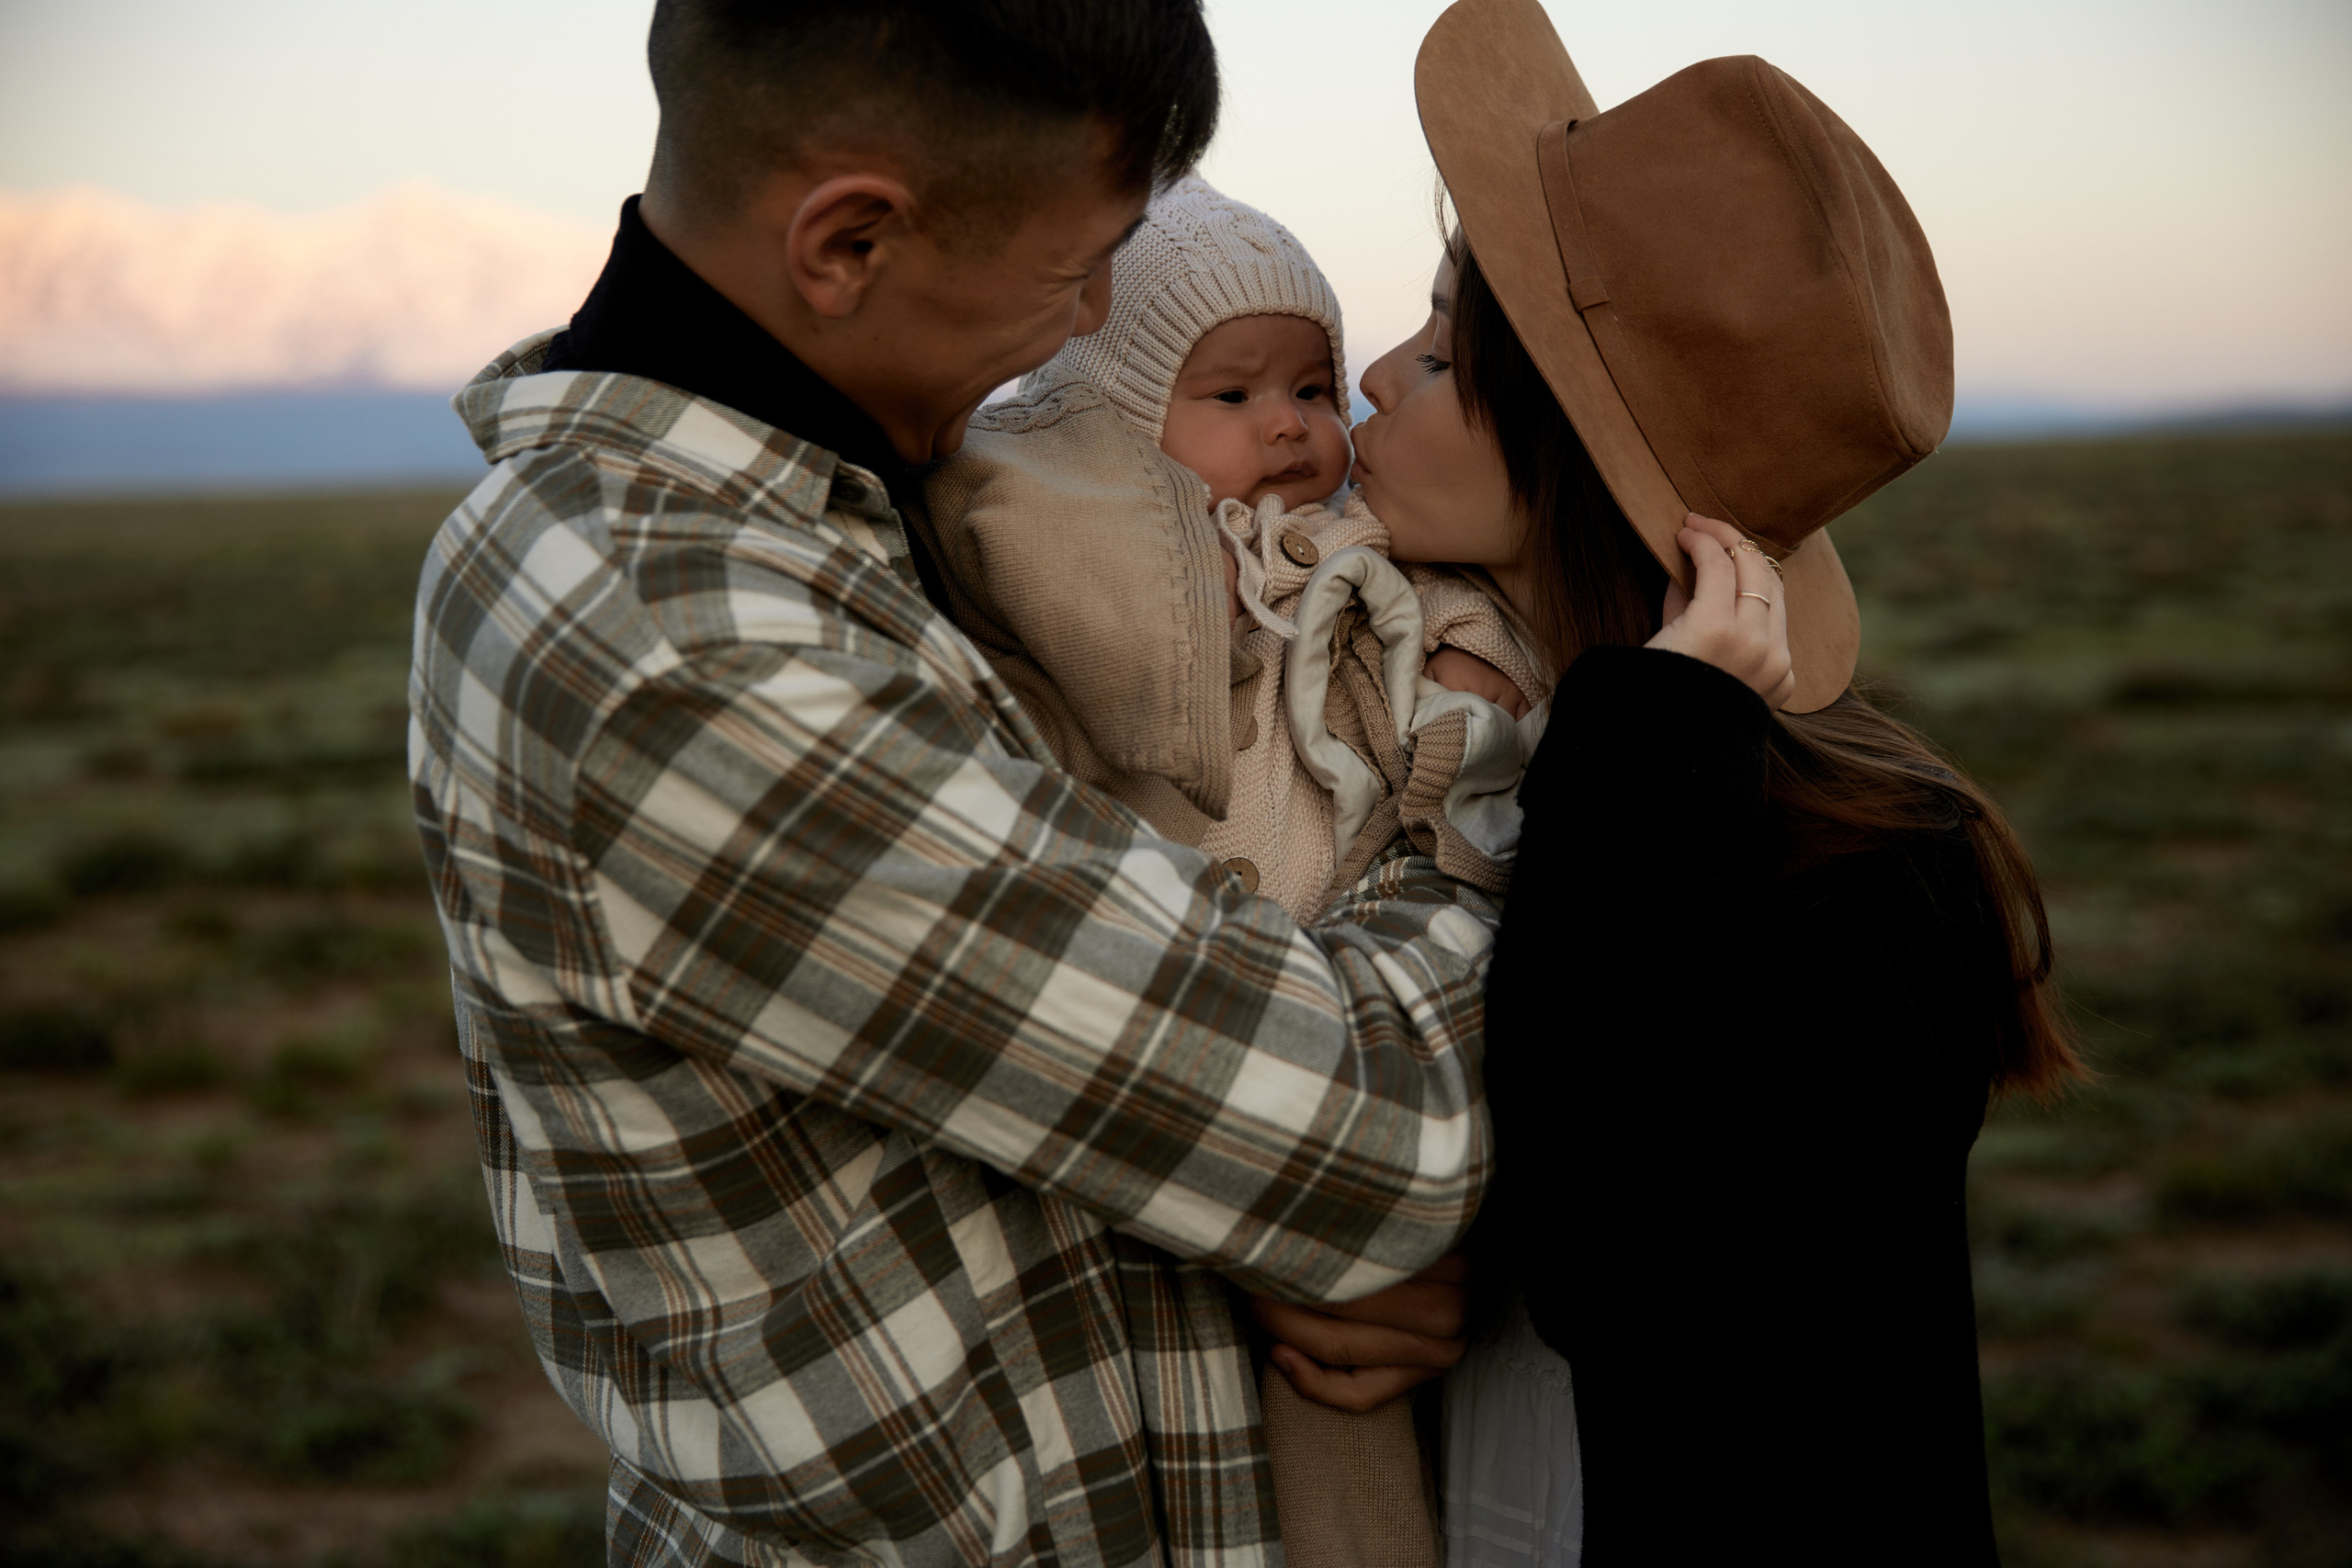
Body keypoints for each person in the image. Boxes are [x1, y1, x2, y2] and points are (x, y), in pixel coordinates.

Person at [1329, 4, 2085, 1562]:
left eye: (1453, 348)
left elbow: (1645, 1267)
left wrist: (1652, 751)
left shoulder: (1865, 862)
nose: (1379, 371)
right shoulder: (1420, 723)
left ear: (1586, 459)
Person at [921, 173, 1546, 1568]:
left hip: (1365, 1056)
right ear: (1119, 424)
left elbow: (1464, 666)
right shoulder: (1078, 585)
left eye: (1315, 387)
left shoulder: (1372, 563)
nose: (1296, 423)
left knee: (1348, 1464)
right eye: (1231, 397)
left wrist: (1466, 679)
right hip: (1178, 1067)